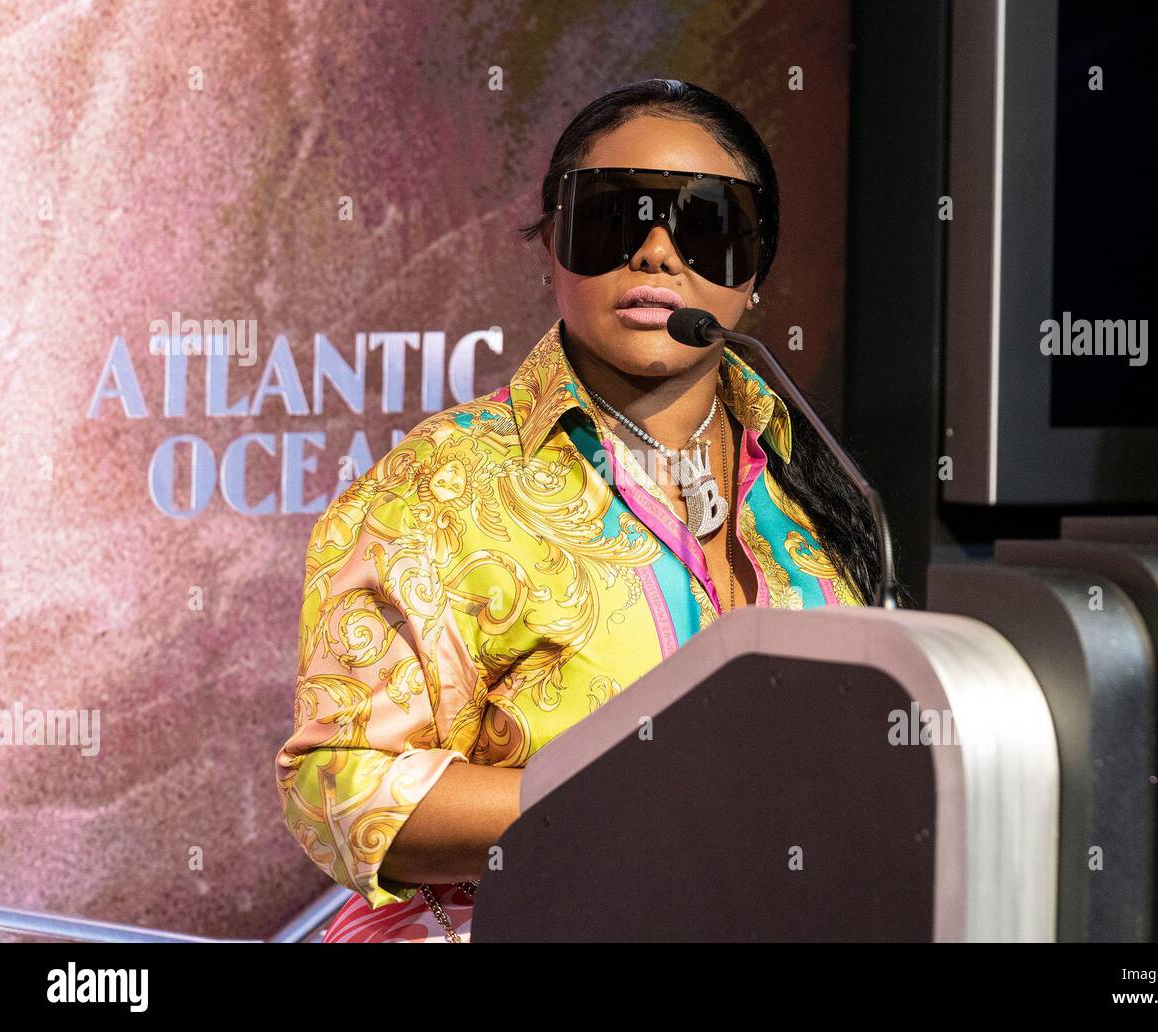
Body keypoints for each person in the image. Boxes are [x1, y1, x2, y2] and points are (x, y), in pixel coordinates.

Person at [273, 78, 895, 943]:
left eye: (704, 222)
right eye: (611, 216)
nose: (654, 252)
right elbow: (337, 787)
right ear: (552, 248)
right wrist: (638, 803)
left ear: (756, 271)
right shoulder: (440, 483)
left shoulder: (819, 482)